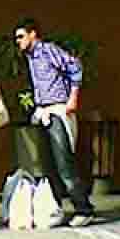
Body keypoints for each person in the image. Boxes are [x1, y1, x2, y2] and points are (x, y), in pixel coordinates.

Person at [14, 18, 96, 227]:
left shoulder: (48, 50)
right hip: (43, 112)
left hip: (58, 110)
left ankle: (83, 208)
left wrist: (73, 98)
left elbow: (75, 66)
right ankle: (54, 207)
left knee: (63, 163)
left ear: (33, 34)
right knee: (47, 164)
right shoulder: (30, 58)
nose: (18, 41)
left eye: (21, 36)